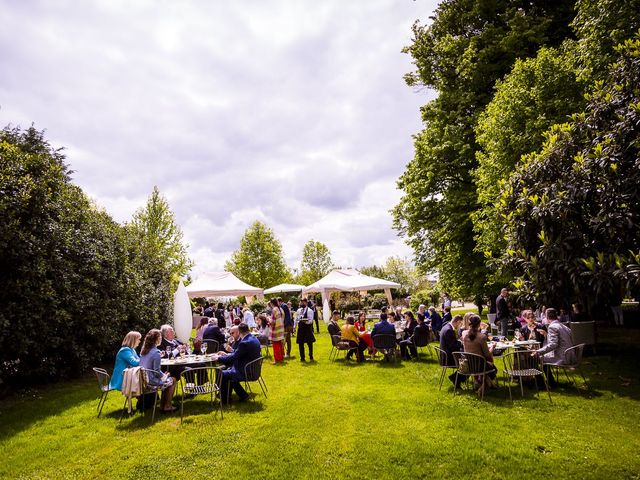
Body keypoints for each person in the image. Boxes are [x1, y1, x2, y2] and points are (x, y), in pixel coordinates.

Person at [216, 323, 262, 404]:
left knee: (222, 373)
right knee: (227, 372)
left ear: (239, 332)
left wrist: (218, 358)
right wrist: (229, 353)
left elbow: (234, 357)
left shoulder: (244, 342)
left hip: (245, 371)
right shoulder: (254, 338)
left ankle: (225, 401)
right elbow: (240, 353)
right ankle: (243, 395)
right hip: (253, 369)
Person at [533, 308, 575, 387]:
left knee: (536, 358)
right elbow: (560, 341)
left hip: (563, 357)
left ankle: (541, 383)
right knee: (542, 357)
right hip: (571, 356)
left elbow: (553, 344)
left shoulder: (552, 327)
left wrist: (538, 351)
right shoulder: (564, 326)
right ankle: (550, 381)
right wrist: (546, 335)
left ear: (546, 317)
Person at [140, 329, 176, 413]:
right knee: (172, 380)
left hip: (143, 379)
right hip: (151, 381)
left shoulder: (144, 350)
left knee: (167, 379)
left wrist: (164, 376)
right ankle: (167, 406)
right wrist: (165, 376)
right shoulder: (155, 352)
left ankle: (163, 406)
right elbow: (157, 371)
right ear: (157, 339)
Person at [463, 314, 497, 394]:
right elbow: (487, 354)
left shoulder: (465, 335)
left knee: (488, 365)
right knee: (493, 368)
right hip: (480, 365)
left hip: (469, 364)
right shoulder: (481, 337)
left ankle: (483, 383)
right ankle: (484, 386)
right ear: (479, 324)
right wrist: (493, 346)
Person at [440, 314, 463, 385]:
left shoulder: (446, 326)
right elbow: (453, 346)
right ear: (458, 322)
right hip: (449, 358)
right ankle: (455, 378)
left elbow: (451, 343)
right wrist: (461, 343)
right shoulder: (449, 330)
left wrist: (458, 341)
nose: (460, 326)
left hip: (445, 355)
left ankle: (456, 378)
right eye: (461, 324)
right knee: (469, 363)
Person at [269, 298, 285, 363]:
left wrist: (268, 319)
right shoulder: (280, 309)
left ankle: (277, 359)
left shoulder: (274, 310)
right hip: (280, 328)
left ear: (271, 303)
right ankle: (281, 358)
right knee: (280, 344)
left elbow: (273, 322)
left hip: (276, 329)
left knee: (276, 345)